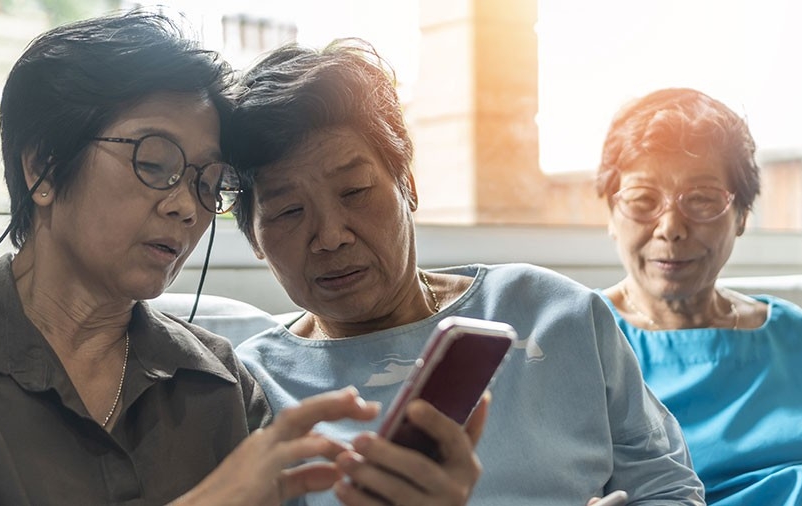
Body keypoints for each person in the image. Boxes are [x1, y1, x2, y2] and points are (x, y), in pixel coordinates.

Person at [225, 38, 706, 505]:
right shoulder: (249, 389)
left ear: (407, 187)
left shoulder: (554, 312)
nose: (330, 235)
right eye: (288, 211)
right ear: (253, 239)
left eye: (354, 191)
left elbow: (670, 486)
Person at [0, 12, 388, 505]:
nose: (187, 207)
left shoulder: (221, 385)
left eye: (207, 183)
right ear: (44, 166)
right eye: (154, 163)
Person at [595, 87, 802, 505]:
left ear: (741, 216)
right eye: (644, 200)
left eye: (700, 200)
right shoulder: (576, 338)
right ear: (611, 213)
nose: (670, 228)